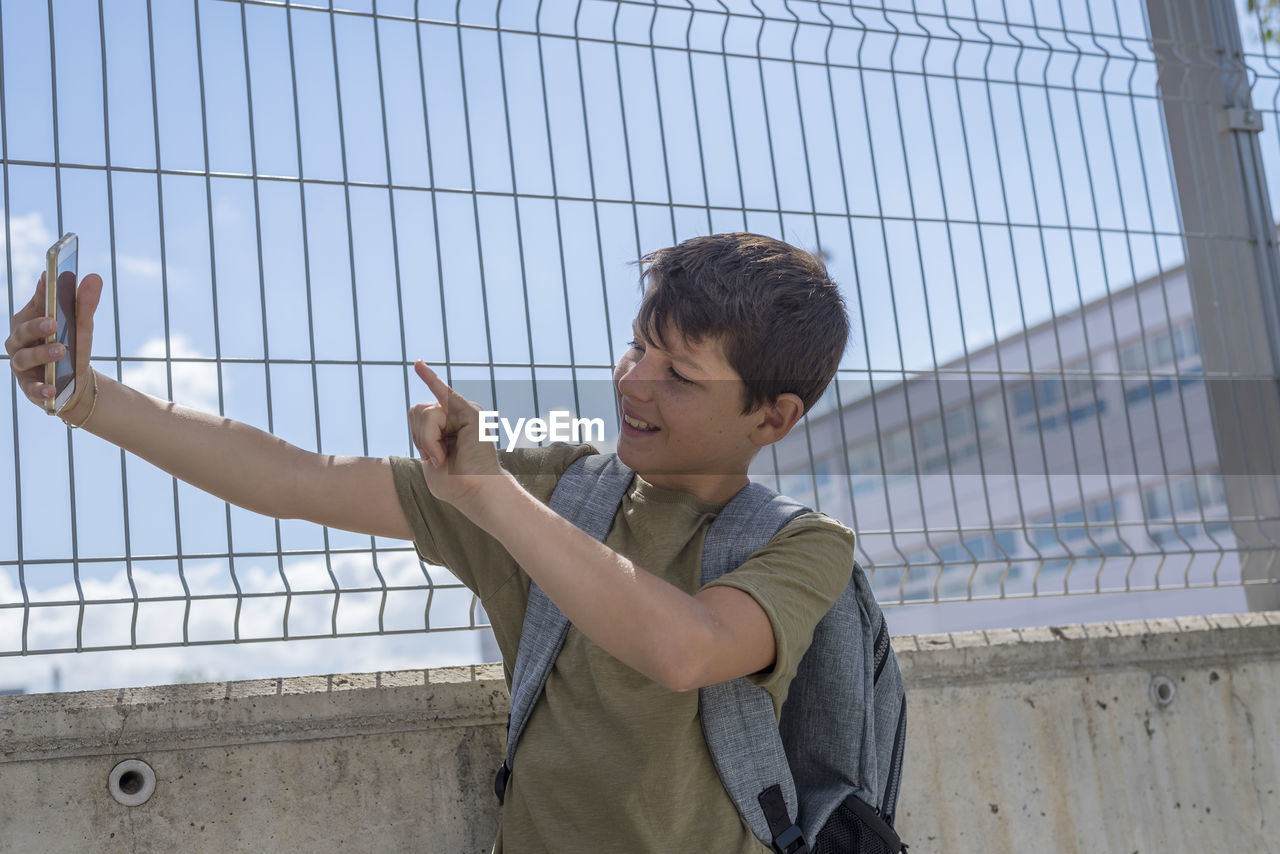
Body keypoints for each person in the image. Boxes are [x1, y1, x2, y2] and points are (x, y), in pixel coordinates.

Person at [6, 232, 855, 853]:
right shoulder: (560, 489)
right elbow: (293, 480)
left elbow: (684, 648)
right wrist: (92, 401)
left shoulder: (802, 546)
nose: (632, 380)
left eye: (680, 374)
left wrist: (489, 496)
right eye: (638, 345)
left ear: (773, 417)